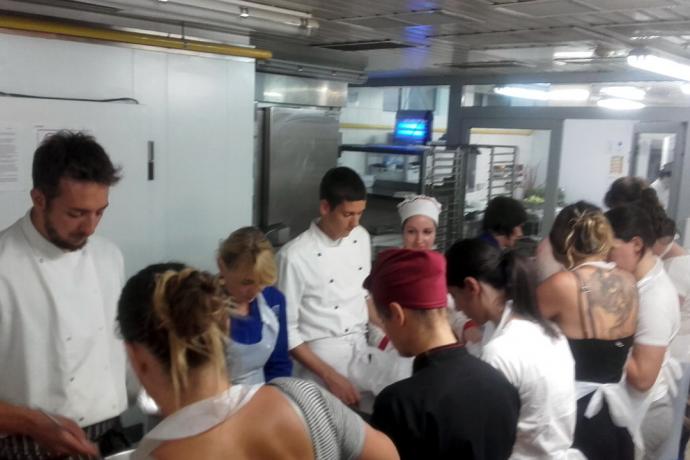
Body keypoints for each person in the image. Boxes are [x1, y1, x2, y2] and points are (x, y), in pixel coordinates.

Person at [118, 263, 399, 460]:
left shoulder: (156, 454)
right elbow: (386, 455)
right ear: (224, 326)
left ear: (137, 357)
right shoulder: (303, 398)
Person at [0, 131, 126, 458]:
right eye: (76, 213)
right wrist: (31, 422)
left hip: (108, 434)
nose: (90, 228)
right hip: (24, 443)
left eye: (100, 212)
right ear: (39, 199)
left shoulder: (109, 257)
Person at [368, 249, 519, 460]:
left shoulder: (400, 404)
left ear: (397, 314)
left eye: (384, 321)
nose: (386, 330)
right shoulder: (502, 386)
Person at [447, 238, 578, 459]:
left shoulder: (500, 352)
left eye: (455, 296)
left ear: (471, 287)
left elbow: (486, 436)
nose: (458, 308)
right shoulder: (548, 331)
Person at [538, 202, 639, 459]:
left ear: (559, 243)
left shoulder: (562, 284)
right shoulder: (629, 281)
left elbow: (518, 329)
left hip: (574, 417)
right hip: (615, 416)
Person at [276, 167, 371, 406]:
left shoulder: (361, 237)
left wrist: (388, 338)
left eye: (360, 213)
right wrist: (330, 375)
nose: (354, 223)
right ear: (325, 208)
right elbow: (286, 330)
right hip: (317, 369)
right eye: (348, 214)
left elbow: (363, 296)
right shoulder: (293, 256)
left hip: (360, 355)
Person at [606, 204, 681, 459]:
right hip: (632, 408)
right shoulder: (637, 284)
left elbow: (642, 379)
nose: (606, 258)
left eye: (610, 248)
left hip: (645, 414)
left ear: (636, 244)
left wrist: (605, 334)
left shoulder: (654, 297)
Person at [217, 226, 292, 384]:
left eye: (262, 282)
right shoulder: (206, 307)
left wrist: (274, 396)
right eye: (246, 282)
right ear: (222, 266)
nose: (255, 292)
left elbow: (279, 365)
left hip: (263, 394)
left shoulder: (273, 301)